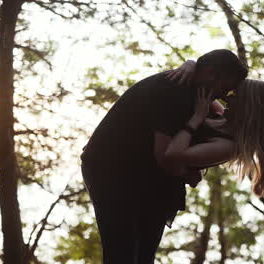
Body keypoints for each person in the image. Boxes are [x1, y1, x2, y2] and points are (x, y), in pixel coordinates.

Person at [80, 49, 248, 264]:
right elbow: (164, 157)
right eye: (225, 87)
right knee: (122, 251)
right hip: (112, 170)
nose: (225, 95)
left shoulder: (198, 91)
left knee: (142, 255)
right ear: (210, 73)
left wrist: (191, 64)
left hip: (142, 177)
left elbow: (217, 112)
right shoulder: (175, 91)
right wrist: (186, 173)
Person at [155, 74, 264, 199]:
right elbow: (201, 85)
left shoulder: (228, 147)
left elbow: (172, 154)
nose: (226, 98)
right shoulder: (221, 116)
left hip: (154, 191)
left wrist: (197, 118)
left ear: (247, 107)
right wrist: (191, 65)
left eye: (234, 95)